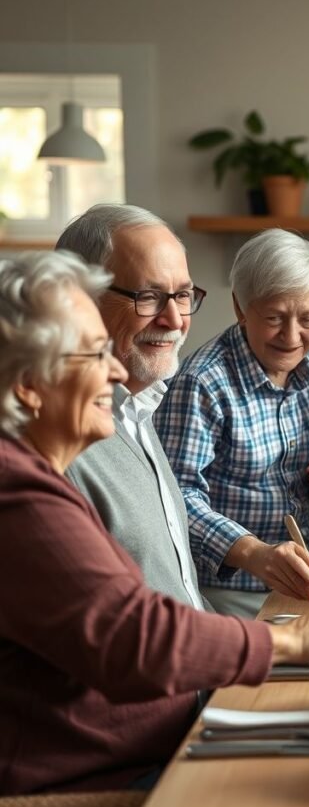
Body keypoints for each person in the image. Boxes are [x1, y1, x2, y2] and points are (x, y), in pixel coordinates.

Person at [0, 251, 309, 795]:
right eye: (95, 353)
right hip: (102, 789)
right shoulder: (19, 495)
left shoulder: (43, 477)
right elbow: (135, 637)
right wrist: (284, 642)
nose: (117, 371)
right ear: (30, 384)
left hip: (159, 744)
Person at [155, 230, 309, 618]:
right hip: (226, 591)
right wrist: (254, 553)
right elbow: (173, 499)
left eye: (308, 318)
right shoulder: (203, 382)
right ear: (240, 308)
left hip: (305, 576)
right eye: (275, 318)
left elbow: (303, 474)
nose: (292, 337)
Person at [57, 205, 208, 609]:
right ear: (79, 300)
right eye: (149, 297)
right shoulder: (60, 444)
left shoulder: (139, 408)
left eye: (182, 295)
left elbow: (179, 596)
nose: (174, 319)